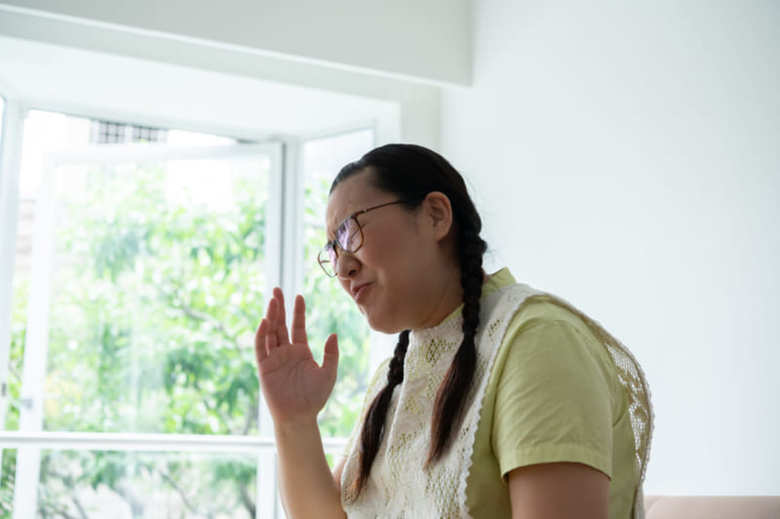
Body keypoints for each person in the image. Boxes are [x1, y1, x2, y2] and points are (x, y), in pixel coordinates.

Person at [253, 144, 653, 519]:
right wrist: (294, 421)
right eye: (333, 250)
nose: (342, 268)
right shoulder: (395, 377)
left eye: (349, 232)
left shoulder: (539, 341)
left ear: (435, 215)